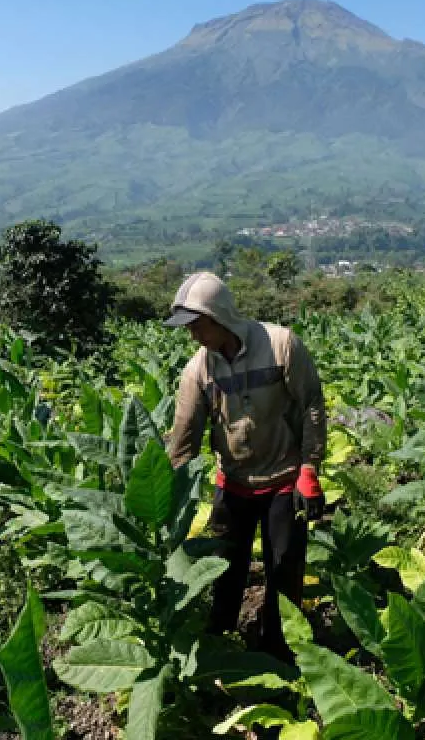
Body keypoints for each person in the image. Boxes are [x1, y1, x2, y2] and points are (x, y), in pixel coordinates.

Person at [163, 271, 327, 661]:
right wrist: (168, 502)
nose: (192, 335)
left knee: (283, 569)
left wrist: (309, 468)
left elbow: (311, 406)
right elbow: (183, 441)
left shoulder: (281, 345)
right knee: (224, 571)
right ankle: (219, 648)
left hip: (284, 479)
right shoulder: (198, 371)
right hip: (234, 483)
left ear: (219, 316)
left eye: (197, 325)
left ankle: (279, 651)